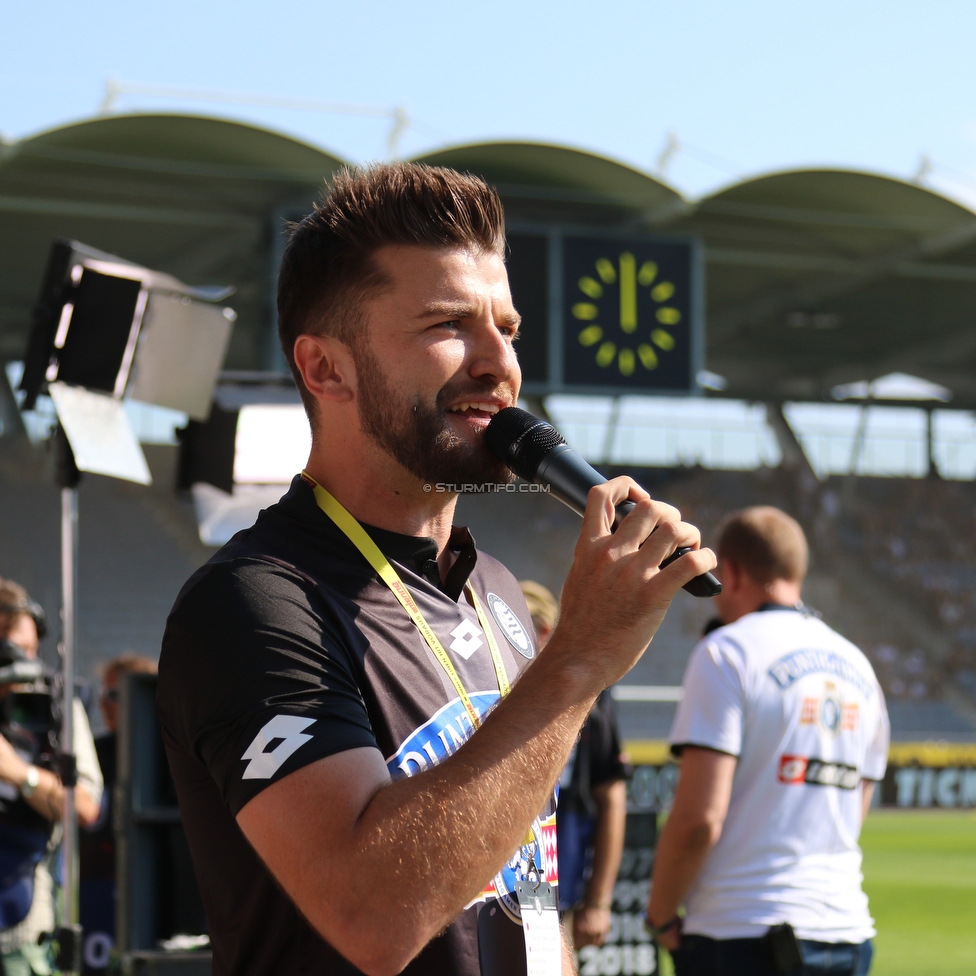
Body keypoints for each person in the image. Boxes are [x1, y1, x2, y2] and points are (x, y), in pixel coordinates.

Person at [157, 162, 715, 976]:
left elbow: (523, 881)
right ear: (326, 368)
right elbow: (373, 917)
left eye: (509, 328)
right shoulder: (254, 605)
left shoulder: (496, 591)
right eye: (448, 324)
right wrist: (582, 660)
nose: (500, 364)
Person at [646, 507, 889, 976]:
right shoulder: (859, 665)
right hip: (847, 932)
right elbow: (854, 808)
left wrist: (659, 915)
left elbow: (699, 820)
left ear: (731, 572)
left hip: (740, 931)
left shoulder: (727, 651)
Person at [0, 580, 102, 976]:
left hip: (17, 926)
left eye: (25, 650)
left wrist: (19, 774)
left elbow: (85, 809)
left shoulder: (57, 705)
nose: (17, 662)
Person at [519, 580, 627, 953]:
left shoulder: (588, 695)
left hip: (545, 889)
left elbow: (611, 793)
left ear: (543, 631)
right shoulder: (486, 685)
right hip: (486, 890)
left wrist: (598, 901)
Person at [80, 654, 157, 973]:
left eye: (114, 695)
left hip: (153, 886)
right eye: (102, 695)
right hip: (96, 886)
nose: (103, 705)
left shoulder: (170, 758)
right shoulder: (92, 755)